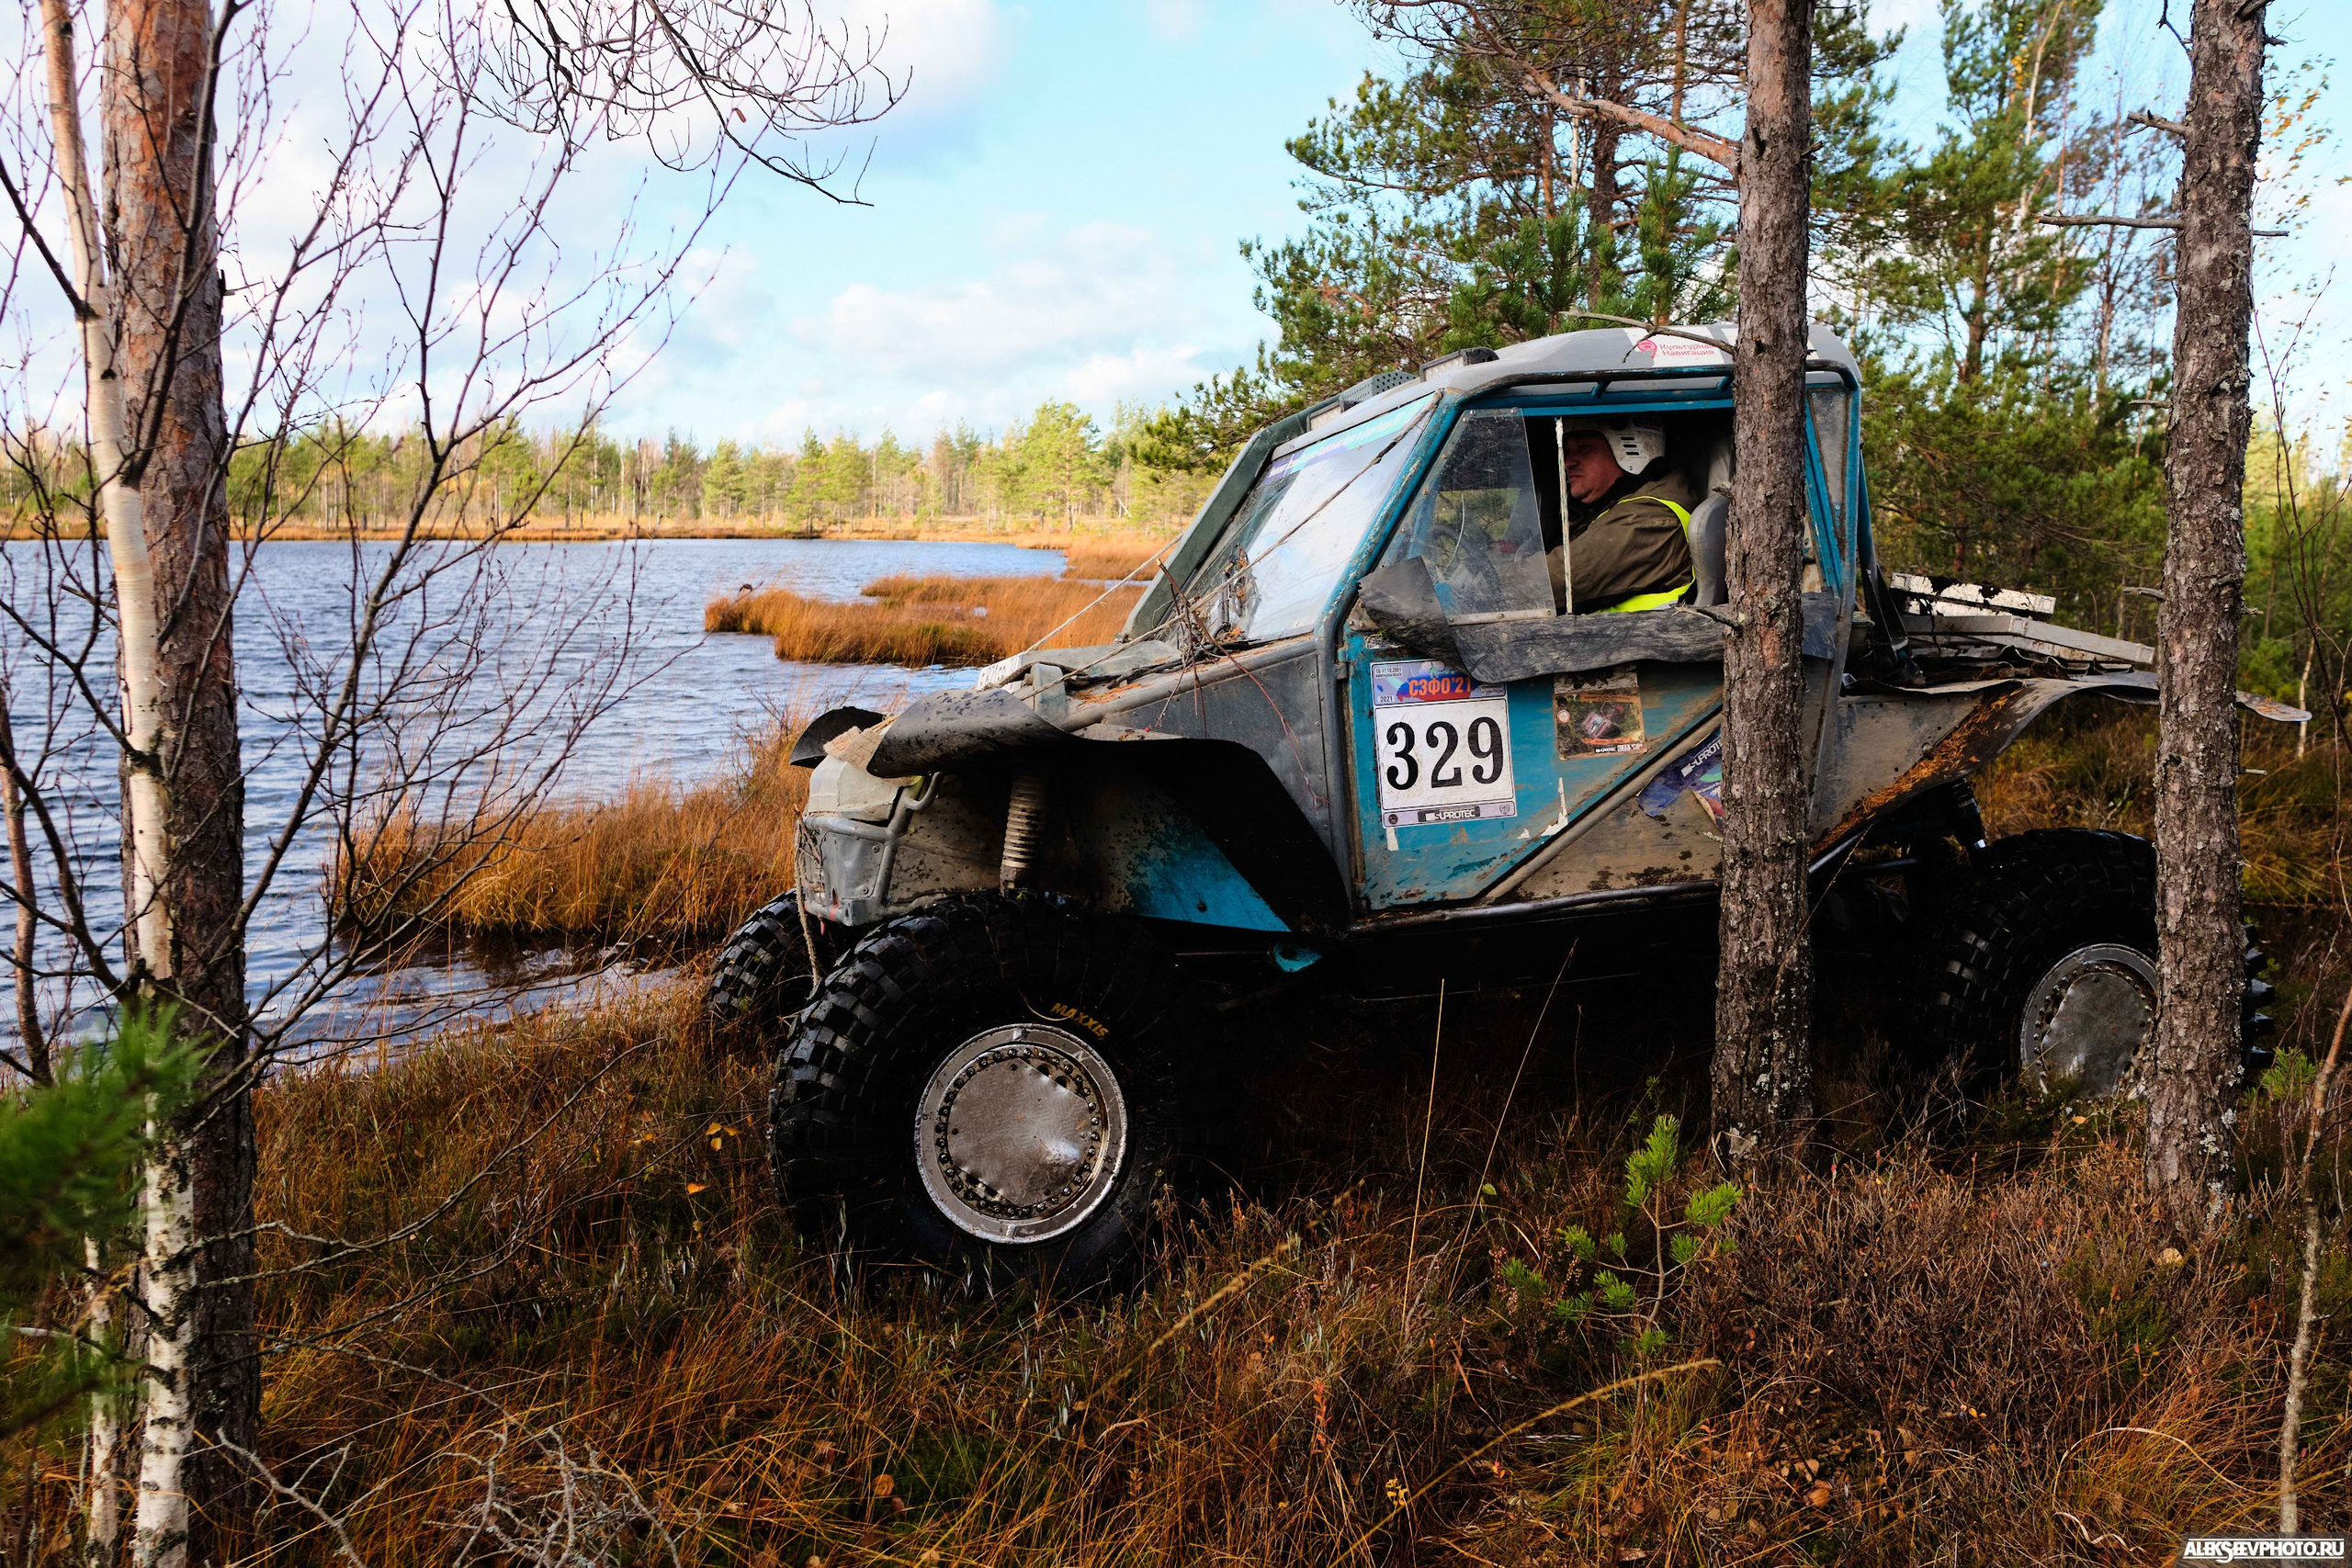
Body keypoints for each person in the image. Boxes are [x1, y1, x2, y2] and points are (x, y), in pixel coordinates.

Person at [1548, 418, 1701, 613]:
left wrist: (1499, 582)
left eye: (1584, 448)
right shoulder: (1610, 507)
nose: (1568, 462)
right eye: (1568, 451)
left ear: (1630, 449)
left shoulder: (1648, 518)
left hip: (1642, 639)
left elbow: (1563, 578)